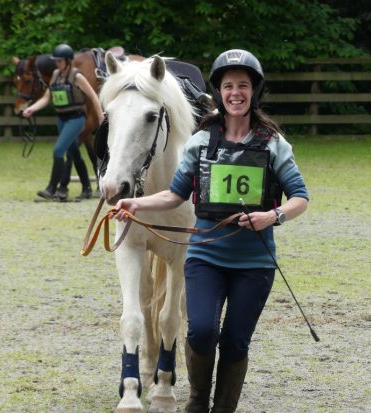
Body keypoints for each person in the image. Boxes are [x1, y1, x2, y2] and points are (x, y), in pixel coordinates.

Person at [113, 49, 309, 412]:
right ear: (219, 93)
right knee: (201, 331)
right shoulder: (200, 142)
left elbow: (300, 197)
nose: (236, 93)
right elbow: (175, 193)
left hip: (254, 260)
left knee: (235, 342)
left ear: (255, 92)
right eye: (229, 86)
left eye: (244, 86)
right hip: (206, 256)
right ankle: (197, 402)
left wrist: (273, 216)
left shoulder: (273, 143)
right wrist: (136, 204)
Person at [22, 44, 103, 201]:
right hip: (62, 119)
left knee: (58, 150)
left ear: (68, 61)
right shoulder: (55, 75)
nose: (56, 64)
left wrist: (100, 118)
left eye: (59, 61)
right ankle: (87, 188)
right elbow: (47, 97)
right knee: (74, 152)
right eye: (56, 61)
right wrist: (32, 108)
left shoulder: (77, 77)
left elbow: (93, 96)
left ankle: (51, 189)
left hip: (76, 118)